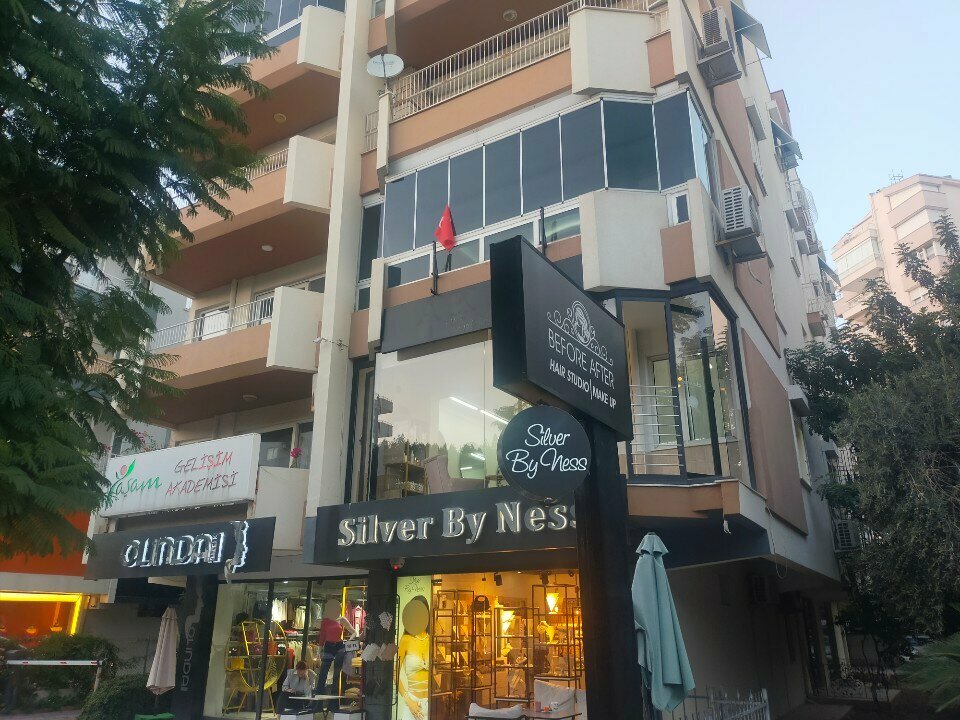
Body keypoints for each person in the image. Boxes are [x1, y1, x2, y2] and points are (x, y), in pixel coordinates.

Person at [315, 598, 357, 710]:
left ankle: (333, 705)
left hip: (339, 647)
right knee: (323, 674)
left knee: (336, 676)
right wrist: (318, 653)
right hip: (328, 647)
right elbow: (322, 638)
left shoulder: (341, 619)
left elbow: (354, 632)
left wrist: (348, 641)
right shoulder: (325, 621)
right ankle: (318, 704)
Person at [397, 596, 430, 720]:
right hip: (412, 703)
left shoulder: (432, 640)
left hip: (431, 704)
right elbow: (395, 674)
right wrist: (409, 701)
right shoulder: (406, 640)